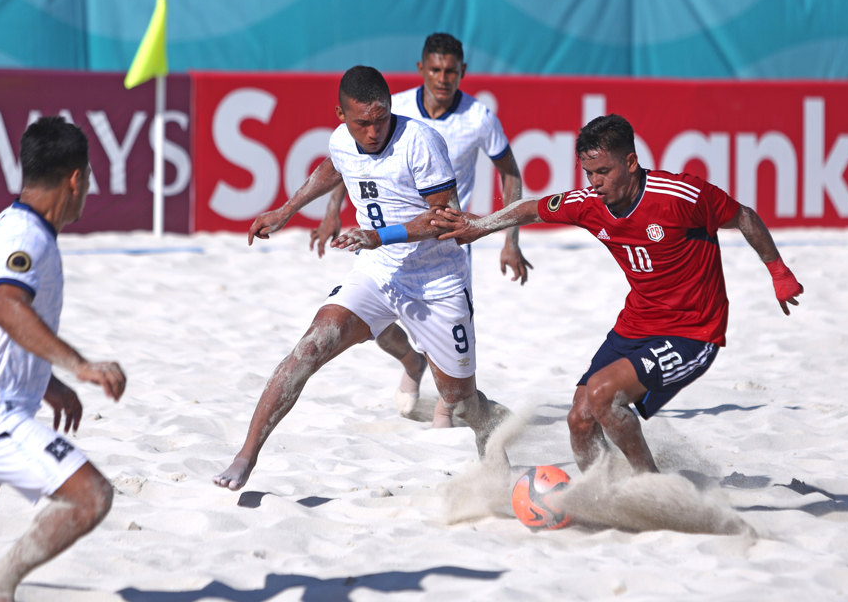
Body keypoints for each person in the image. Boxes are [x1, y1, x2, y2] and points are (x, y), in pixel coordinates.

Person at [430, 114, 803, 475]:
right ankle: (602, 494)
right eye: (588, 173)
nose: (594, 182)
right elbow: (531, 209)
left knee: (603, 394)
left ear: (631, 162)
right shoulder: (590, 203)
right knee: (578, 419)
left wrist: (778, 271)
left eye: (603, 172)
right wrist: (479, 227)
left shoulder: (680, 196)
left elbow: (744, 216)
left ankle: (652, 490)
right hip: (636, 324)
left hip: (692, 331)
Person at [214, 66, 510, 492]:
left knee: (462, 405)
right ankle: (246, 456)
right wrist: (285, 210)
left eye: (381, 119)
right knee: (311, 345)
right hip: (378, 269)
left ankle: (499, 444)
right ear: (340, 115)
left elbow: (445, 218)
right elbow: (333, 166)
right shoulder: (341, 140)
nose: (373, 131)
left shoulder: (421, 142)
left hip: (437, 279)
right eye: (362, 123)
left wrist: (377, 235)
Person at [258, 33, 530, 429]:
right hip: (382, 252)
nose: (442, 78)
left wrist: (511, 239)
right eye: (435, 69)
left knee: (453, 404)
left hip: (440, 243)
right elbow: (347, 164)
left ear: (462, 73)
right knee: (374, 329)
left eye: (450, 71)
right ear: (421, 69)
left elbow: (508, 173)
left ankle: (461, 409)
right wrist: (330, 212)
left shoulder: (478, 119)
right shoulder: (388, 109)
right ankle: (410, 361)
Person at [0, 117, 127, 602]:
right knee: (91, 497)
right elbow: (5, 306)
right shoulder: (29, 238)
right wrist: (79, 365)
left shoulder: (12, 223)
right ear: (76, 178)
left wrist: (47, 382)